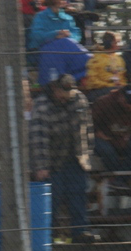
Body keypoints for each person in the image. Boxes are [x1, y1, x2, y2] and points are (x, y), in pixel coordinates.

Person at [29, 74, 94, 239]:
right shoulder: (42, 105)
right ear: (54, 88)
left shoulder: (79, 100)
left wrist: (86, 155)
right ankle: (48, 237)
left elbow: (87, 129)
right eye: (62, 92)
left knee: (78, 195)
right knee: (52, 198)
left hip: (75, 158)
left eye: (69, 92)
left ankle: (80, 232)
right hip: (52, 160)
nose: (65, 96)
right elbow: (38, 138)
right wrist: (41, 166)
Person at [91, 85, 131, 176]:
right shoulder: (103, 103)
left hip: (120, 137)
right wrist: (98, 133)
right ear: (121, 97)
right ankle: (114, 176)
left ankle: (121, 179)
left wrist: (127, 136)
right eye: (128, 102)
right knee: (108, 152)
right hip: (100, 136)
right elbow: (89, 123)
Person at [83, 31, 126, 103]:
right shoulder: (96, 58)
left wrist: (122, 84)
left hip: (118, 89)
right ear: (111, 43)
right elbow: (92, 81)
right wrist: (110, 85)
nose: (119, 45)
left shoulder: (119, 59)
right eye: (117, 42)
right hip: (100, 90)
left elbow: (123, 77)